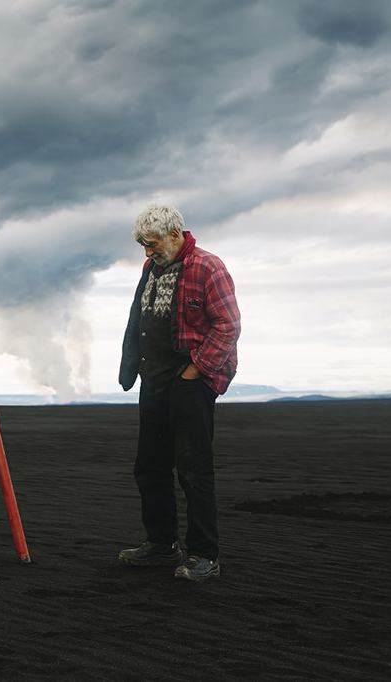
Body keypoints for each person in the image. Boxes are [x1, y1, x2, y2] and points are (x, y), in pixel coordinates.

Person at [117, 205, 241, 582]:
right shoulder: (151, 268)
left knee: (193, 469)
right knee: (150, 466)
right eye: (143, 246)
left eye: (152, 244)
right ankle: (161, 544)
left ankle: (204, 555)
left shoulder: (208, 267)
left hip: (191, 381)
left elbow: (228, 325)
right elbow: (138, 320)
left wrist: (196, 369)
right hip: (154, 378)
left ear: (175, 234)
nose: (147, 252)